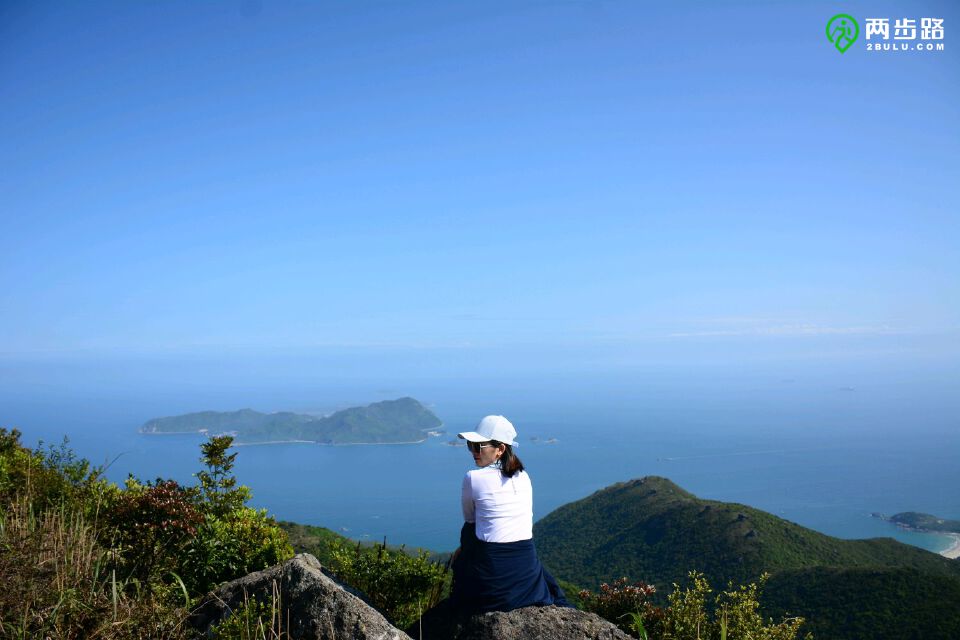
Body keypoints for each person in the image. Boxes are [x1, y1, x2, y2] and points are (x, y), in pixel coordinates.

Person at [450, 415, 569, 613]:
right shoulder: (524, 476)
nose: (473, 451)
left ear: (500, 449)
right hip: (525, 574)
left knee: (468, 533)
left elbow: (470, 521)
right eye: (470, 445)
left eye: (478, 446)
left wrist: (460, 553)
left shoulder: (473, 478)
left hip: (491, 586)